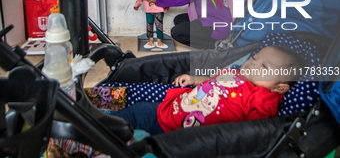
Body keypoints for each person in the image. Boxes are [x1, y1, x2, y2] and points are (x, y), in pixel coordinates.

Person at [107, 45, 302, 135]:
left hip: (180, 133)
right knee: (132, 111)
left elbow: (253, 132)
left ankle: (96, 136)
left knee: (129, 122)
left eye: (264, 67)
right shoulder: (236, 73)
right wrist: (194, 79)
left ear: (280, 87)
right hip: (170, 108)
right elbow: (214, 80)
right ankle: (96, 119)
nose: (252, 63)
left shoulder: (263, 98)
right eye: (255, 57)